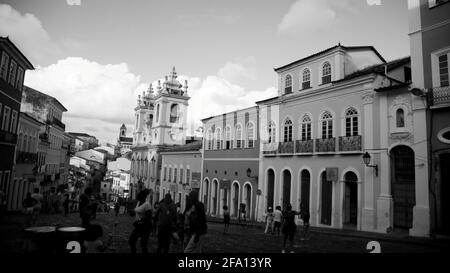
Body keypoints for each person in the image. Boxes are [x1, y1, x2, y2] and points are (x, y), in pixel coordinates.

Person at [129, 189, 153, 254]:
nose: (137, 196)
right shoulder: (139, 203)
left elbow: (148, 217)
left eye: (139, 195)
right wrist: (132, 212)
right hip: (138, 226)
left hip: (145, 227)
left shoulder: (147, 204)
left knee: (143, 244)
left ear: (143, 196)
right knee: (131, 240)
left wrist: (139, 221)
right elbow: (137, 211)